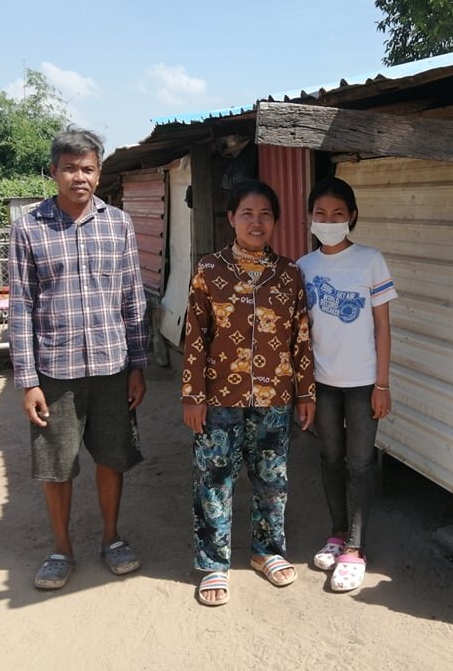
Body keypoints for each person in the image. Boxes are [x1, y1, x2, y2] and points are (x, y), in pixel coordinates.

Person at [8, 126, 149, 590]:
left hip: (112, 368)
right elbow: (21, 306)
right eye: (69, 168)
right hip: (55, 371)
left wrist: (138, 366)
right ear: (53, 172)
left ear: (99, 173)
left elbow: (132, 298)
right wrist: (28, 380)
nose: (79, 177)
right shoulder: (29, 227)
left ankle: (111, 538)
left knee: (111, 457)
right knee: (58, 464)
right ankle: (61, 549)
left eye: (87, 168)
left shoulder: (119, 224)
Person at [182, 179, 316, 606]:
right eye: (247, 214)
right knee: (214, 479)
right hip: (219, 395)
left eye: (265, 215)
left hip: (275, 395)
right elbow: (195, 336)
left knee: (272, 479)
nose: (256, 222)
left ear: (276, 221)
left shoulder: (289, 274)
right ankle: (213, 562)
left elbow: (301, 337)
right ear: (231, 218)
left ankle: (267, 551)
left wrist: (306, 393)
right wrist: (192, 395)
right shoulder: (210, 270)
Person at [297, 177, 397, 592]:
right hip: (322, 383)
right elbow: (301, 333)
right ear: (310, 218)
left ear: (352, 216)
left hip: (362, 383)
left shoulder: (370, 260)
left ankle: (355, 549)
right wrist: (303, 389)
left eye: (338, 213)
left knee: (359, 463)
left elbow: (383, 326)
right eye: (321, 213)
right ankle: (337, 533)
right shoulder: (304, 267)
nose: (329, 220)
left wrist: (382, 384)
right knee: (330, 459)